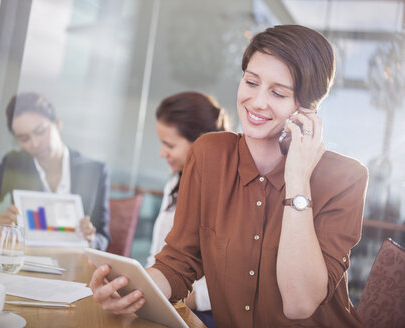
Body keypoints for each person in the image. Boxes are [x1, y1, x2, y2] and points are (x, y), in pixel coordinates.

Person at [88, 25, 368, 327]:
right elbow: (178, 263)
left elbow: (299, 303)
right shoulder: (209, 154)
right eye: (251, 82)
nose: (257, 101)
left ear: (306, 108)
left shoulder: (344, 179)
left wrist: (298, 179)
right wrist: (128, 292)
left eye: (277, 92)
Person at [0, 92, 111, 250]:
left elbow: (103, 237)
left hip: (73, 266)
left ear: (57, 123)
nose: (35, 143)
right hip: (25, 261)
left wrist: (90, 239)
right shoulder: (15, 164)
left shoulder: (95, 172)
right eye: (24, 138)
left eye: (40, 131)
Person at [147, 91, 227, 328]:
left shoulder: (224, 192)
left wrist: (187, 297)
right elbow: (157, 256)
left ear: (200, 143)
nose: (162, 153)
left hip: (203, 314)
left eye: (169, 145)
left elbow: (236, 278)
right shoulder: (174, 183)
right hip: (167, 299)